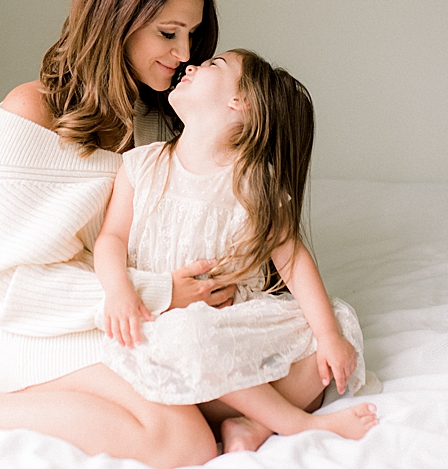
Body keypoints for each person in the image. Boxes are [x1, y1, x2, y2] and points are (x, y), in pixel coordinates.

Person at [0, 0, 332, 469]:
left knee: (283, 364)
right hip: (30, 324)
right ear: (116, 23)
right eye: (168, 33)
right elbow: (11, 283)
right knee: (185, 443)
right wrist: (158, 293)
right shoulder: (28, 114)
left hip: (131, 315)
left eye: (192, 37)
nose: (184, 55)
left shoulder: (166, 118)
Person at [97, 49, 377, 445]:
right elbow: (109, 239)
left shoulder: (253, 181)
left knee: (337, 321)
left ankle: (251, 423)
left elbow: (292, 259)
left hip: (237, 327)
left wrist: (329, 335)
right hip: (174, 333)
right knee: (193, 332)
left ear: (239, 103)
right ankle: (296, 423)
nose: (190, 65)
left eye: (213, 65)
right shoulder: (141, 166)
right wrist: (119, 291)